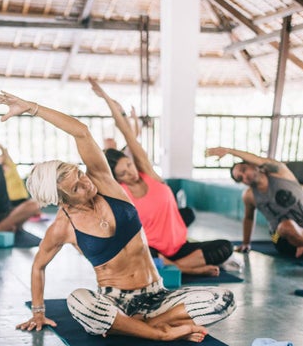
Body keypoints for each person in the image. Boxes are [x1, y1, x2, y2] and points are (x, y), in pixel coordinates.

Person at [0, 91, 236, 342]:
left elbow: (81, 131)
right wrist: (38, 312)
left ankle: (138, 326)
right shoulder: (62, 227)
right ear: (61, 200)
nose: (86, 184)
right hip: (115, 302)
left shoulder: (103, 182)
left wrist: (32, 107)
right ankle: (158, 334)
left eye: (80, 174)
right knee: (78, 302)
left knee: (223, 299)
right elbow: (38, 265)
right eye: (76, 188)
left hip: (157, 293)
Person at [89, 79, 239, 276]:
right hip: (153, 251)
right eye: (123, 173)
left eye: (129, 165)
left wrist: (106, 98)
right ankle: (187, 269)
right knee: (136, 254)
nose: (131, 173)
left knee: (225, 247)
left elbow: (128, 133)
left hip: (179, 247)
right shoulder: (121, 193)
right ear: (117, 178)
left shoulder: (149, 174)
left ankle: (175, 269)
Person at [205, 147, 303, 258]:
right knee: (286, 225)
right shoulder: (249, 196)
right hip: (283, 238)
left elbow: (260, 160)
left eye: (244, 170)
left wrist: (229, 151)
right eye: (240, 178)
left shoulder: (281, 172)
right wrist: (246, 243)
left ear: (253, 165)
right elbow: (249, 218)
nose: (245, 176)